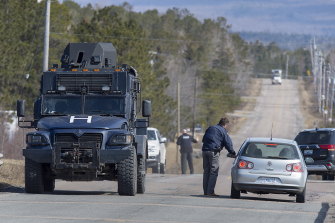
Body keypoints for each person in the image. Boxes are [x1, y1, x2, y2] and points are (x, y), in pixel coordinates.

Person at [202, 117, 236, 196]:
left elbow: (203, 139)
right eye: (227, 125)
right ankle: (210, 192)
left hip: (205, 151)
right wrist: (232, 152)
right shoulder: (223, 131)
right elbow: (228, 143)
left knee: (206, 172)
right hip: (213, 152)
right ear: (225, 124)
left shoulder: (210, 128)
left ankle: (206, 192)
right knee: (213, 172)